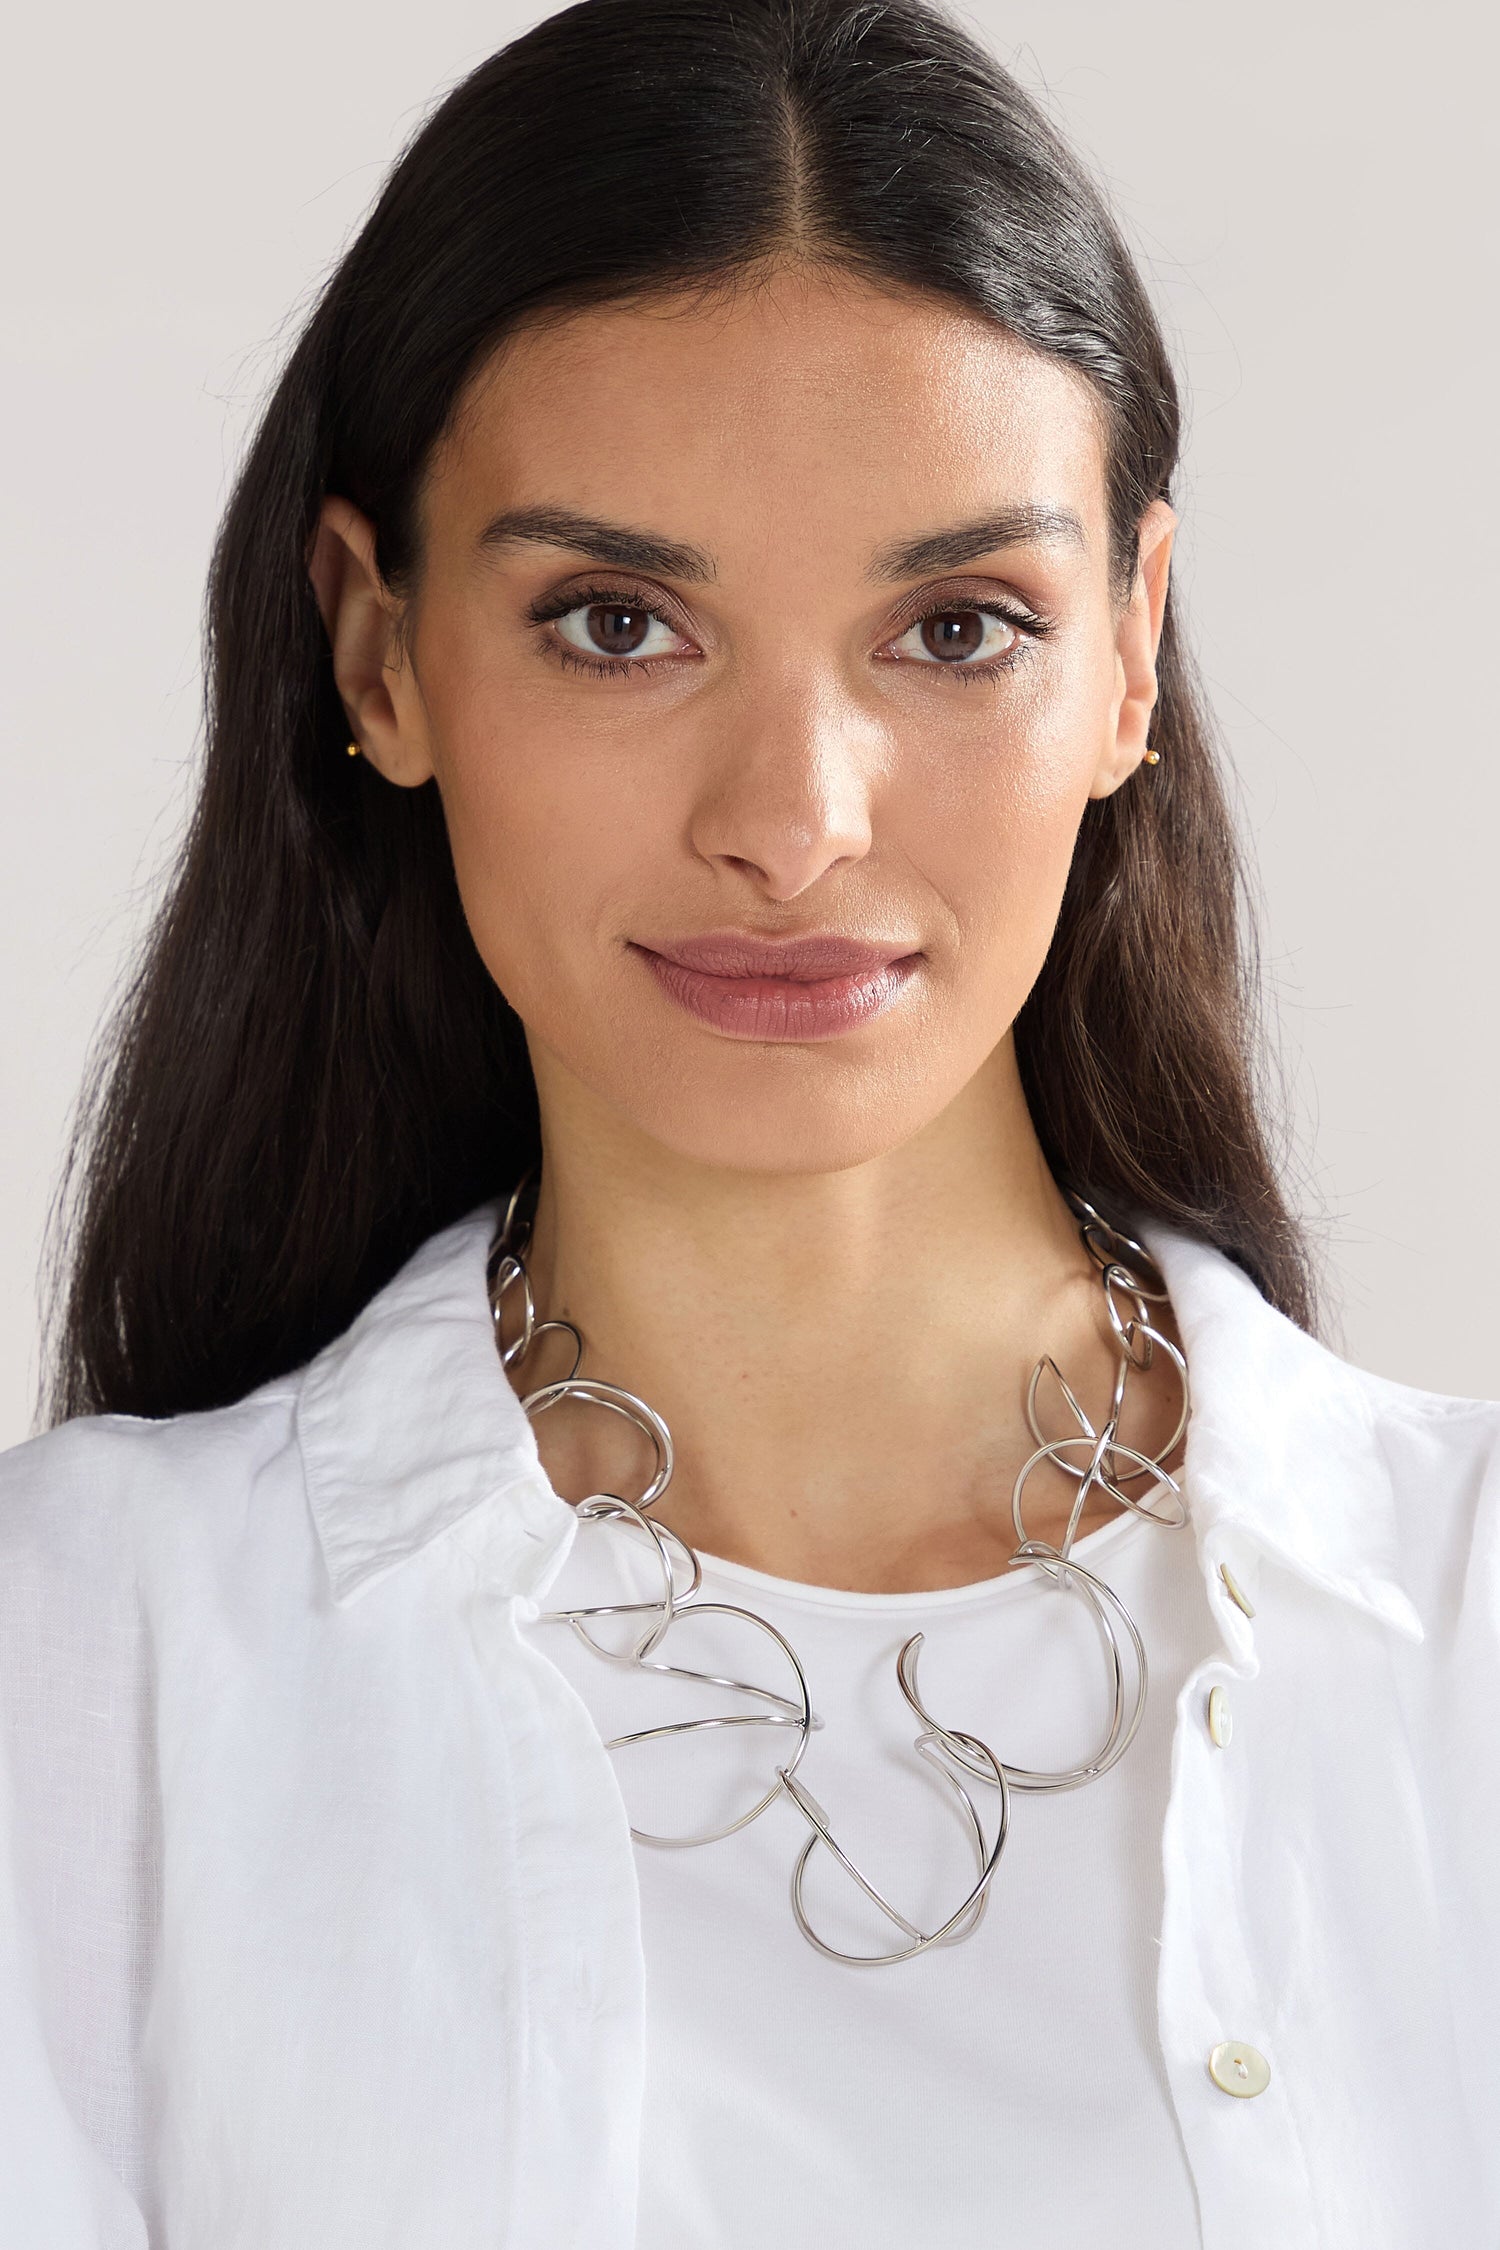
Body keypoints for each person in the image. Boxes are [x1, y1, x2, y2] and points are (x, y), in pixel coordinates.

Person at [3, 0, 1495, 2242]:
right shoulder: (78, 1672)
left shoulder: (1466, 1624)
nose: (794, 826)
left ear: (1132, 657)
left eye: (960, 627)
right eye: (617, 623)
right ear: (378, 655)